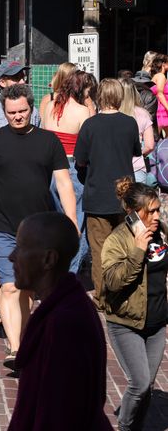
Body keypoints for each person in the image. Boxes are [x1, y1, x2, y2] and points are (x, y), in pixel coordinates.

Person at [0, 84, 77, 368]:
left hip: (38, 230)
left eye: (22, 111)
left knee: (28, 292)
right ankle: (16, 349)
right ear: (3, 111)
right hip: (3, 226)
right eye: (11, 112)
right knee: (9, 288)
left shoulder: (49, 141)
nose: (17, 117)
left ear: (31, 109)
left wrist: (72, 221)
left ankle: (26, 341)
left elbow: (64, 183)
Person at [7, 212, 111, 431]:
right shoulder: (67, 308)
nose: (12, 256)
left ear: (48, 259)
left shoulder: (64, 324)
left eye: (21, 247)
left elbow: (59, 414)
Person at [101, 177, 167, 431]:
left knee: (147, 388)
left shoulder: (161, 231)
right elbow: (112, 282)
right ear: (132, 212)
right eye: (149, 211)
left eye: (157, 209)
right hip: (126, 323)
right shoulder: (117, 240)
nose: (155, 215)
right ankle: (125, 427)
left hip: (156, 323)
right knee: (139, 384)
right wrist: (138, 250)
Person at [74, 78, 141, 305]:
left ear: (99, 96)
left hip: (97, 194)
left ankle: (103, 297)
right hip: (125, 196)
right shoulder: (130, 123)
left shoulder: (90, 125)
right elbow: (136, 151)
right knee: (125, 246)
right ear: (119, 97)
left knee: (100, 249)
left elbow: (80, 160)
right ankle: (124, 292)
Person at [34, 68, 90, 277]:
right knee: (75, 223)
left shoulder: (49, 106)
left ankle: (50, 270)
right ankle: (69, 273)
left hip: (47, 169)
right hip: (71, 168)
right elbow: (86, 144)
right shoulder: (82, 111)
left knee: (52, 223)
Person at [120, 78, 155, 186]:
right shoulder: (143, 113)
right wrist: (137, 153)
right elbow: (149, 146)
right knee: (138, 201)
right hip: (137, 168)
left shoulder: (110, 113)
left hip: (115, 167)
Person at [149, 53, 168, 137]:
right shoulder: (161, 76)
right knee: (156, 137)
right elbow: (160, 94)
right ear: (163, 64)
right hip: (161, 110)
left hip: (161, 108)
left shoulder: (157, 76)